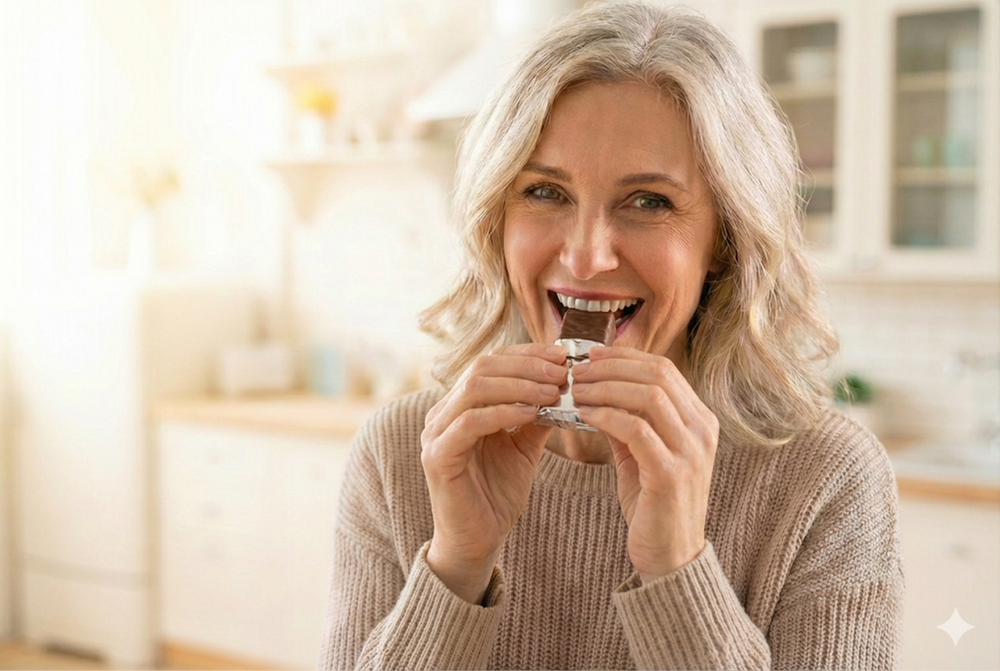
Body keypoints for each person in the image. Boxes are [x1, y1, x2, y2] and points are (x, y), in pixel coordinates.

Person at [317, 3, 903, 669]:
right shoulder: (403, 456)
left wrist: (678, 569)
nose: (587, 256)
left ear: (724, 241)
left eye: (649, 201)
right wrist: (455, 565)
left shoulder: (827, 480)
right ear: (496, 220)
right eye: (545, 192)